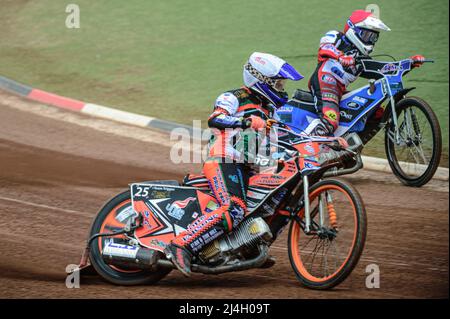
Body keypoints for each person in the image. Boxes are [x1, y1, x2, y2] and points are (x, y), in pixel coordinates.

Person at [164, 52, 303, 276]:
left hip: (249, 167)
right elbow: (215, 119)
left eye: (281, 83)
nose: (281, 88)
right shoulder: (233, 97)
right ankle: (181, 245)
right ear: (261, 80)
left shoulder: (271, 110)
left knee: (276, 200)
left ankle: (246, 246)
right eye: (277, 83)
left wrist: (328, 142)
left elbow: (290, 137)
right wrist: (246, 121)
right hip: (223, 160)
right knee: (235, 207)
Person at [307, 9, 426, 136]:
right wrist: (340, 57)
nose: (370, 41)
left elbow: (385, 70)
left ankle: (350, 150)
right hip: (324, 83)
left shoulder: (362, 60)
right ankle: (304, 148)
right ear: (353, 30)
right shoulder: (336, 36)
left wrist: (409, 63)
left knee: (377, 114)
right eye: (366, 35)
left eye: (373, 37)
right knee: (330, 120)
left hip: (340, 91)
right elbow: (325, 48)